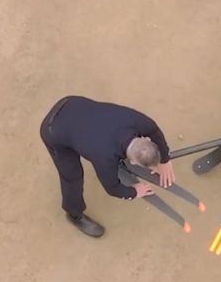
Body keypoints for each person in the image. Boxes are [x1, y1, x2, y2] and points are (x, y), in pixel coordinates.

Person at [39, 95, 174, 237]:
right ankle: (74, 214)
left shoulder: (135, 120)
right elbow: (112, 188)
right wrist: (133, 192)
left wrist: (164, 160)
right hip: (53, 129)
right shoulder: (105, 158)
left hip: (72, 103)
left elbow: (154, 130)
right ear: (133, 162)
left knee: (89, 136)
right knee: (72, 176)